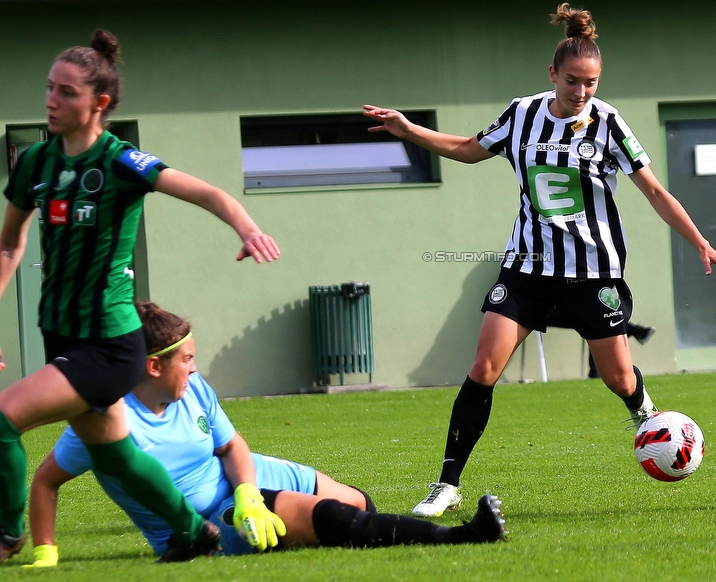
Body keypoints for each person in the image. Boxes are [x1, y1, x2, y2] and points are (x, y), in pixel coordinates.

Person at [364, 3, 716, 518]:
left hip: (593, 272)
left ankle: (646, 414)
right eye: (573, 82)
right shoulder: (522, 113)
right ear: (552, 75)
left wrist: (700, 240)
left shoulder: (608, 122)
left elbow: (653, 190)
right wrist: (409, 130)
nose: (583, 92)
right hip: (526, 267)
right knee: (483, 367)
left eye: (592, 83)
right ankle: (447, 483)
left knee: (619, 379)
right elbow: (468, 149)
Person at [0, 30, 281, 564]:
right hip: (59, 333)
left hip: (107, 344)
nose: (51, 100)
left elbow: (208, 192)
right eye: (49, 88)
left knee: (2, 418)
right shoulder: (35, 164)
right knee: (115, 457)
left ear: (99, 104)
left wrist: (245, 228)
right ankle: (192, 533)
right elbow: (10, 245)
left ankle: (7, 535)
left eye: (67, 92)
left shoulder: (122, 162)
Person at [26, 302, 507, 566]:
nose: (195, 369)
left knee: (359, 504)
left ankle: (355, 536)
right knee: (333, 519)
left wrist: (251, 492)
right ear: (153, 366)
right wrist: (46, 551)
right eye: (186, 360)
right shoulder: (103, 422)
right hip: (212, 519)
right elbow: (46, 481)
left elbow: (232, 446)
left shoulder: (194, 392)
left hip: (248, 480)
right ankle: (462, 538)